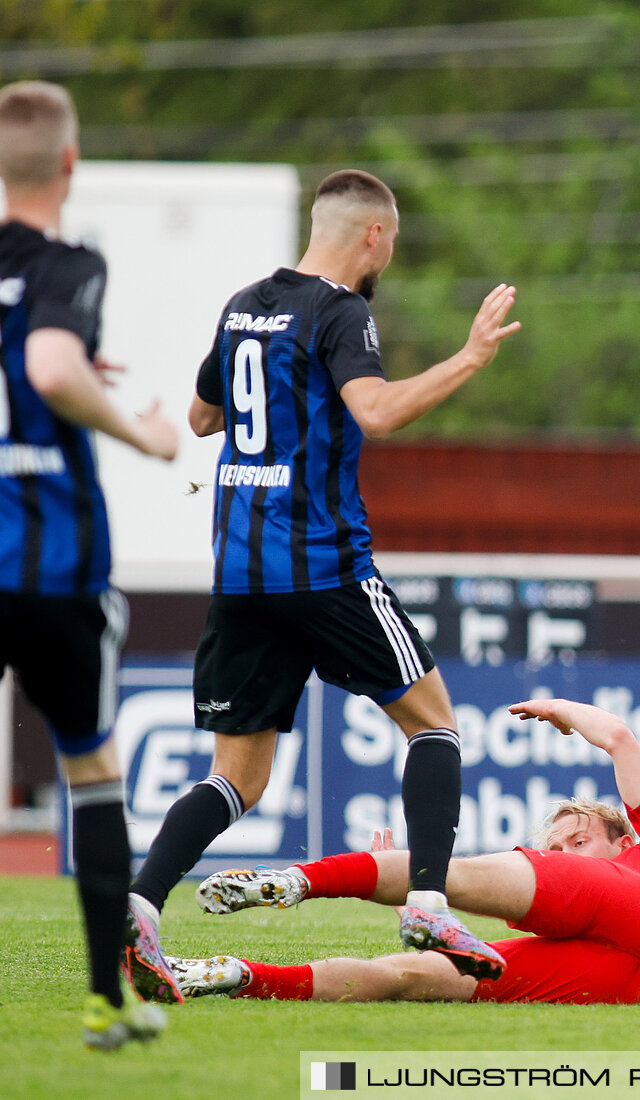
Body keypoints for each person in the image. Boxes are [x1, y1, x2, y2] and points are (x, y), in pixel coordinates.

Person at [122, 169, 522, 1000]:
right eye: (394, 242)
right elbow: (375, 412)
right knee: (436, 725)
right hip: (323, 565)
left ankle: (139, 907)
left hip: (238, 571)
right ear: (373, 235)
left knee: (236, 777)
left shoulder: (244, 306)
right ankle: (427, 905)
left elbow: (203, 418)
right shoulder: (342, 311)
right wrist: (470, 357)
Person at [0, 80, 182, 1048]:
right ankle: (108, 999)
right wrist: (143, 432)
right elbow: (49, 370)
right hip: (52, 561)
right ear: (70, 164)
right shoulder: (68, 263)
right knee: (91, 767)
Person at [164, 699, 640, 1006]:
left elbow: (619, 737)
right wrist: (412, 904)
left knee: (450, 877)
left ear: (623, 841)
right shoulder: (569, 899)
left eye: (578, 843)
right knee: (417, 975)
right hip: (616, 980)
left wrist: (559, 708)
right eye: (555, 848)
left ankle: (302, 884)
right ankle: (238, 974)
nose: (562, 854)